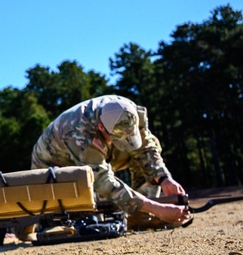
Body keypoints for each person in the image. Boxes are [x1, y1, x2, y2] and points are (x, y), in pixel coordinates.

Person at [31, 95, 189, 227]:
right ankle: (146, 208)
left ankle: (140, 217)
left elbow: (146, 148)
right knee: (77, 216)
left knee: (151, 144)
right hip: (57, 165)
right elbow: (101, 180)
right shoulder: (79, 131)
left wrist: (164, 178)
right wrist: (156, 208)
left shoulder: (127, 110)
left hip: (98, 150)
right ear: (101, 126)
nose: (126, 143)